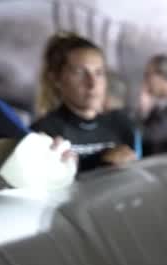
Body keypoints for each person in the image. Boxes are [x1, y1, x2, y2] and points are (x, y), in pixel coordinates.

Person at [31, 33, 138, 173]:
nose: (92, 83)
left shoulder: (122, 124)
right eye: (80, 72)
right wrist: (101, 162)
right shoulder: (43, 133)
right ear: (56, 79)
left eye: (99, 73)